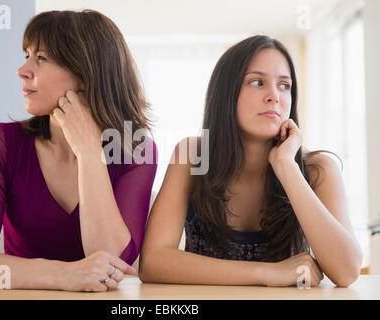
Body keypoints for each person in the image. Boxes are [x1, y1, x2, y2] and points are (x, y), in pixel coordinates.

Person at [0, 9, 157, 292]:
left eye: (41, 58)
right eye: (27, 55)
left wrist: (89, 154)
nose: (22, 70)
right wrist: (63, 274)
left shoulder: (137, 151)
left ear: (85, 73)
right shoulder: (1, 144)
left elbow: (113, 263)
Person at [139, 35, 362, 288]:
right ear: (227, 93)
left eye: (284, 86)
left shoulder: (317, 169)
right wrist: (268, 273)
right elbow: (153, 262)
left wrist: (286, 166)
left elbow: (347, 272)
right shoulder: (193, 155)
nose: (274, 96)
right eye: (257, 82)